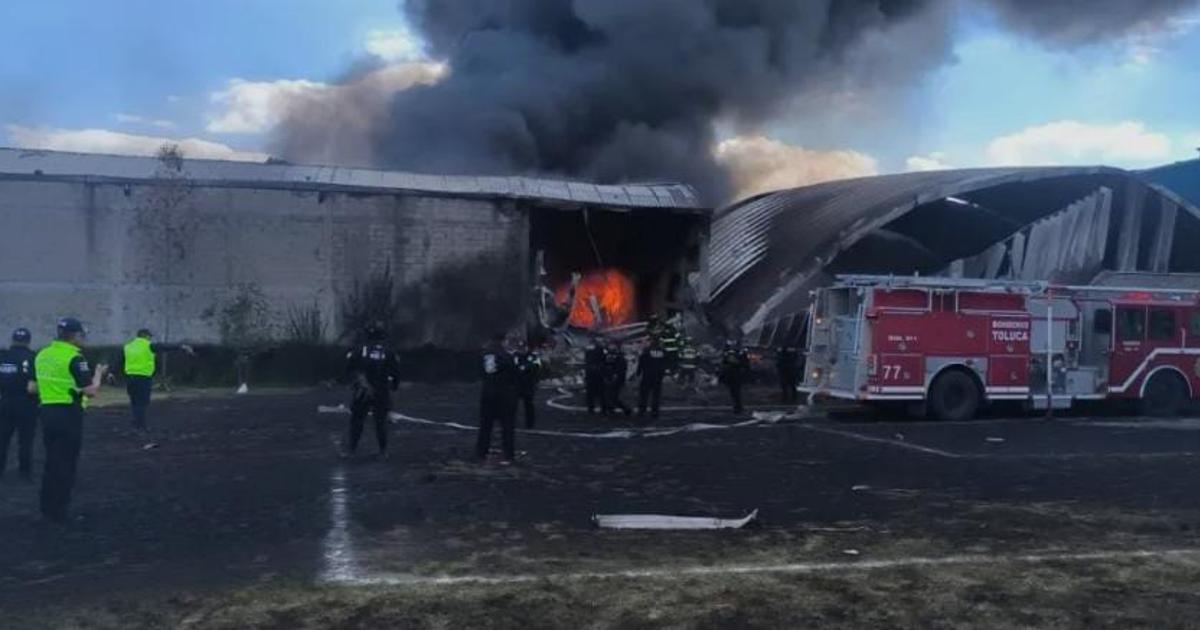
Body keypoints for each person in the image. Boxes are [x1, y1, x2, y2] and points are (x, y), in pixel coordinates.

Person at [35, 318, 107, 524]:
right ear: (74, 336)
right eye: (82, 334)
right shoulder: (75, 358)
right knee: (66, 463)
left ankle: (46, 507)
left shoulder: (42, 354)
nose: (83, 338)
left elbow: (36, 386)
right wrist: (98, 374)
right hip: (68, 413)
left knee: (51, 461)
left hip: (47, 412)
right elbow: (90, 391)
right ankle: (60, 511)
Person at [119, 329, 194, 444]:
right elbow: (164, 347)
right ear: (145, 336)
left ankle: (136, 425)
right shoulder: (148, 345)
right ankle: (140, 427)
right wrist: (181, 347)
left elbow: (120, 360)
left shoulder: (128, 346)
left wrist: (111, 373)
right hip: (143, 378)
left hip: (130, 378)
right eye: (150, 336)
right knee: (142, 403)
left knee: (134, 403)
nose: (150, 338)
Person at [342, 323, 400, 460]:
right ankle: (383, 452)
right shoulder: (389, 352)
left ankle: (351, 451)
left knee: (357, 419)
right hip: (381, 391)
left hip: (362, 391)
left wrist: (355, 383)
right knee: (380, 422)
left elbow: (349, 370)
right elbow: (396, 372)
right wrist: (394, 387)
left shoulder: (357, 350)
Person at [0, 328, 38, 481]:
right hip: (26, 405)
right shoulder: (32, 358)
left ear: (13, 340)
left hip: (5, 403)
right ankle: (25, 474)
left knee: (2, 440)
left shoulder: (3, 357)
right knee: (25, 441)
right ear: (28, 341)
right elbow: (32, 388)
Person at [476, 333, 519, 464]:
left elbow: (480, 372)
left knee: (485, 426)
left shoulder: (484, 355)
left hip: (487, 394)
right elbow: (514, 375)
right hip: (503, 395)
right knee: (507, 426)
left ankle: (480, 453)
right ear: (503, 340)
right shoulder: (507, 356)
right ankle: (508, 454)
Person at [636, 339, 668, 421]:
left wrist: (638, 372)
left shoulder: (646, 351)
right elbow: (665, 363)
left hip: (647, 375)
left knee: (644, 395)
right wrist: (662, 373)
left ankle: (642, 412)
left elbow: (641, 361)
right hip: (658, 377)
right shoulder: (663, 352)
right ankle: (655, 412)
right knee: (656, 396)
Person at [514, 340, 543, 429]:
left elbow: (538, 367)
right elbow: (512, 368)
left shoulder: (533, 356)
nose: (522, 350)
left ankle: (530, 424)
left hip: (529, 385)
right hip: (517, 384)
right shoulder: (515, 356)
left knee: (529, 405)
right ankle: (513, 422)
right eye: (520, 348)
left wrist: (526, 368)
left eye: (523, 348)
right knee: (513, 405)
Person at [718, 339, 750, 415]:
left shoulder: (733, 354)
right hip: (734, 376)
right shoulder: (735, 353)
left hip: (734, 376)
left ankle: (738, 408)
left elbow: (729, 363)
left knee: (736, 393)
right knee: (735, 393)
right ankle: (738, 407)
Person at [604, 341, 633, 417]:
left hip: (617, 379)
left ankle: (625, 409)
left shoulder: (619, 356)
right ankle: (613, 409)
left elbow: (621, 368)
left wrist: (616, 375)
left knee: (612, 396)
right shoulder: (609, 355)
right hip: (610, 378)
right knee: (610, 396)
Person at [583, 337, 607, 414]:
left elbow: (587, 361)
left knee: (592, 392)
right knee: (599, 392)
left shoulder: (589, 350)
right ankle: (601, 408)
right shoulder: (601, 350)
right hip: (596, 373)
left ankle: (592, 408)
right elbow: (603, 361)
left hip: (592, 373)